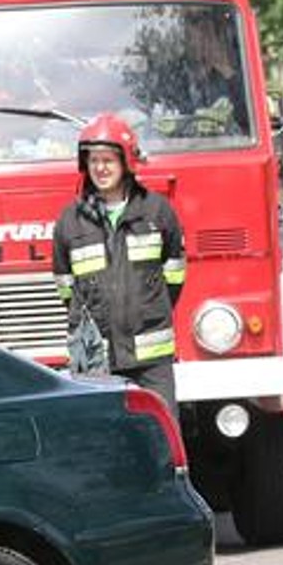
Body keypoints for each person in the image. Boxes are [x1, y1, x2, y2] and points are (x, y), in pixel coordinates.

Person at [50, 113, 188, 413]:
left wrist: (145, 312)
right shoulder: (69, 222)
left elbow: (174, 278)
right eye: (93, 160)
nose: (100, 168)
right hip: (94, 361)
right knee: (105, 447)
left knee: (161, 442)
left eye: (108, 160)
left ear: (127, 162)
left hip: (151, 362)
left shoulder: (157, 212)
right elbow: (67, 290)